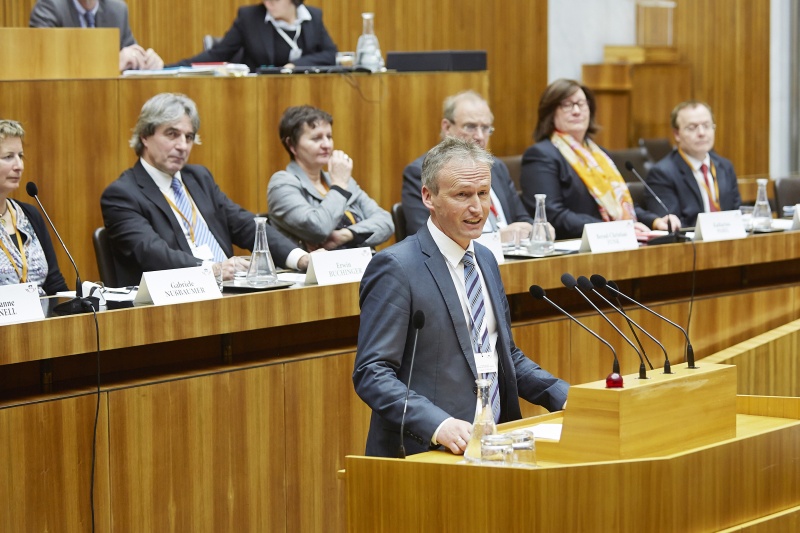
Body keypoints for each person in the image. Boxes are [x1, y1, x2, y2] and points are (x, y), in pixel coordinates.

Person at [353, 137, 569, 458]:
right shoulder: (396, 267)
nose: (477, 208)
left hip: (495, 444)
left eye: (483, 194)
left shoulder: (485, 259)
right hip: (427, 453)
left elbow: (503, 356)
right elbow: (372, 372)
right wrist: (438, 425)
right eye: (463, 195)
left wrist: (564, 396)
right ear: (428, 196)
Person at [101, 93, 310, 287]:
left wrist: (300, 258)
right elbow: (152, 253)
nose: (183, 146)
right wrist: (212, 270)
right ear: (145, 136)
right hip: (176, 300)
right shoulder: (122, 195)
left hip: (228, 290)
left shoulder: (199, 178)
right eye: (172, 134)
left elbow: (245, 225)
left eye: (189, 137)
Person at [520, 79, 680, 239]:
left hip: (615, 240)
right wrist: (614, 229)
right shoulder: (540, 155)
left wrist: (656, 221)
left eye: (581, 103)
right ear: (550, 112)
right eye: (567, 105)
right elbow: (553, 214)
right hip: (574, 248)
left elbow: (620, 205)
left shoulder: (600, 155)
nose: (576, 111)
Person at [402, 90, 533, 239]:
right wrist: (497, 239)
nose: (479, 136)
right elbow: (425, 239)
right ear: (446, 127)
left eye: (485, 128)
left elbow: (522, 218)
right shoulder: (420, 171)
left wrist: (533, 229)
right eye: (470, 127)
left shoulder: (497, 167)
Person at [267, 106, 393, 251]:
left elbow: (386, 222)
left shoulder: (340, 179)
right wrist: (338, 185)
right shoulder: (282, 183)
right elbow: (318, 228)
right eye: (316, 138)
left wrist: (347, 235)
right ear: (291, 145)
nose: (327, 145)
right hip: (310, 272)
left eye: (329, 137)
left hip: (360, 266)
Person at [645, 101, 742, 227]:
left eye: (707, 126)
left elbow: (737, 213)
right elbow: (673, 226)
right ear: (677, 134)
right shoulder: (662, 173)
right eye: (692, 127)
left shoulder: (725, 167)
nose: (702, 133)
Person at [0, 120, 68, 296]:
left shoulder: (29, 215)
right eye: (8, 157)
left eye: (20, 156)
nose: (19, 166)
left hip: (41, 321)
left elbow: (55, 285)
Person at [171, 0, 337, 71]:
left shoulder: (313, 17)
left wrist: (294, 66)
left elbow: (330, 54)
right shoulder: (250, 18)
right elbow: (217, 54)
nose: (268, 4)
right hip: (258, 94)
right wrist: (170, 68)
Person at [29, 0, 164, 72]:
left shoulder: (117, 10)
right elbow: (45, 64)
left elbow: (130, 55)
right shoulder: (49, 7)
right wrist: (111, 62)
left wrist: (146, 62)